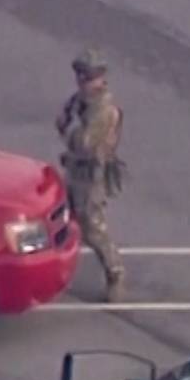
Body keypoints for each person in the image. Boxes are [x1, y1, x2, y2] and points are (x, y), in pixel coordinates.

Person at [54, 46, 127, 302]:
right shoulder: (80, 102)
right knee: (63, 219)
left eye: (87, 77)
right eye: (80, 77)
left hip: (91, 175)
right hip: (75, 169)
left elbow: (84, 142)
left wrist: (70, 129)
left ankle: (114, 272)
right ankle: (57, 271)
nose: (82, 83)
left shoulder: (103, 110)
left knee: (93, 228)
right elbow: (61, 120)